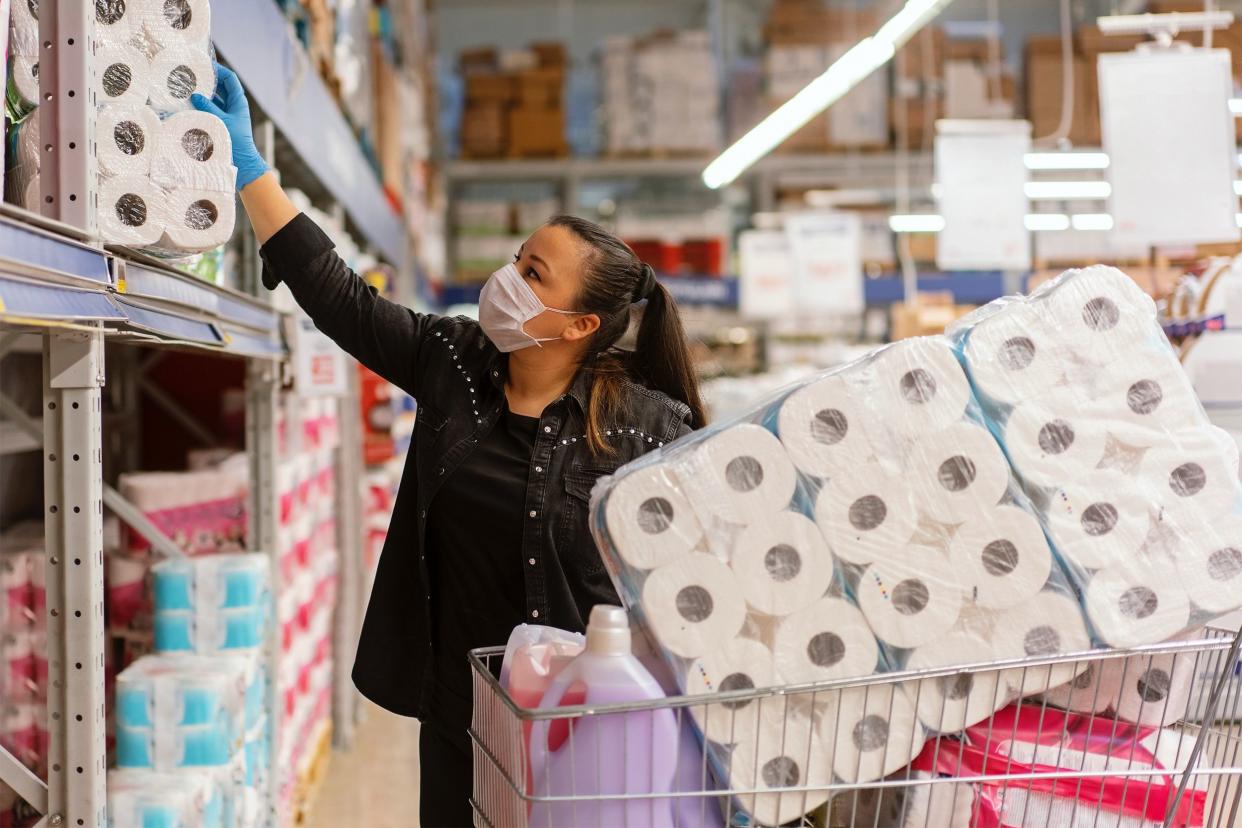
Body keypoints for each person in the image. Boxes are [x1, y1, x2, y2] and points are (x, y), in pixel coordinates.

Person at [193, 66, 707, 826]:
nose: (508, 278)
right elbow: (342, 299)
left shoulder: (644, 426)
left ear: (579, 327)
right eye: (516, 258)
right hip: (462, 715)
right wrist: (253, 170)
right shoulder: (455, 361)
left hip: (588, 724)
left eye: (533, 275)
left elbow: (697, 583)